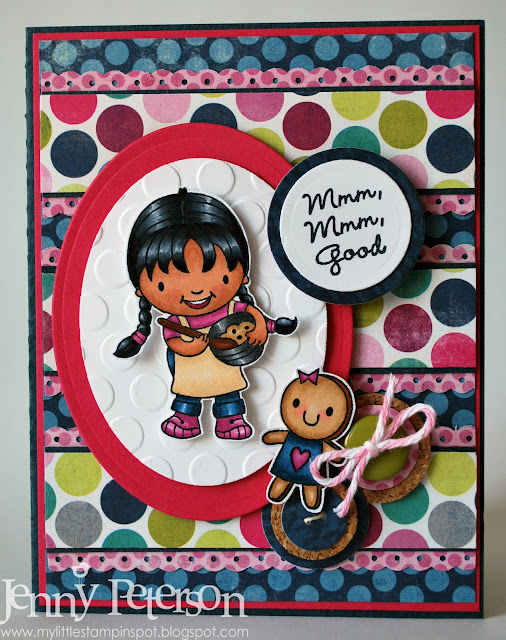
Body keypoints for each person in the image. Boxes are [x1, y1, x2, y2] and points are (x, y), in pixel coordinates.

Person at [115, 188, 295, 441]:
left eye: (221, 276)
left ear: (243, 273)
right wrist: (190, 347)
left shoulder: (232, 310)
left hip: (226, 367)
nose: (196, 290)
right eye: (165, 284)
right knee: (188, 392)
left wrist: (262, 327)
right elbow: (174, 341)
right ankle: (186, 417)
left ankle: (230, 418)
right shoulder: (177, 322)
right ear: (141, 289)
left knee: (228, 391)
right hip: (190, 368)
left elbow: (256, 318)